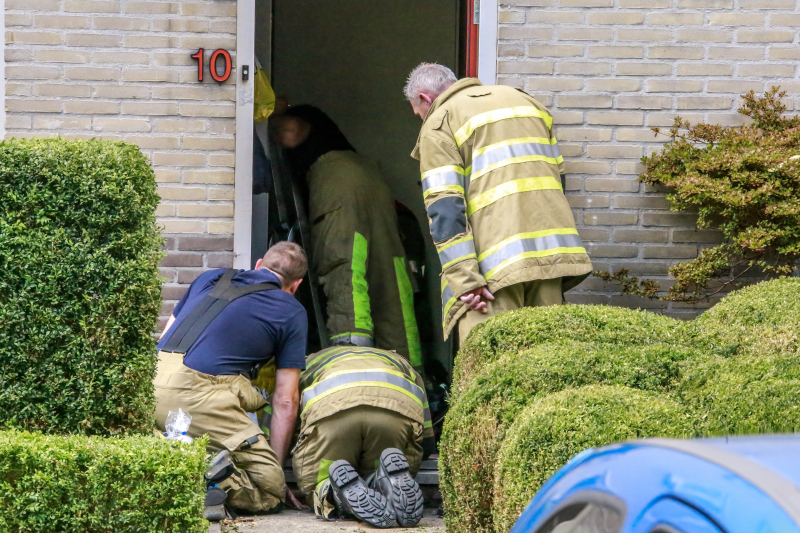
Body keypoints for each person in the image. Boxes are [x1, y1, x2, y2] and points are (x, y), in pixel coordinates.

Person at [404, 63, 593, 342]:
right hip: (550, 260)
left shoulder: (440, 121)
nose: (423, 119)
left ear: (424, 99)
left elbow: (445, 210)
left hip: (492, 275)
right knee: (547, 366)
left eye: (419, 114)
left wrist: (466, 283)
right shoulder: (528, 104)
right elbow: (557, 181)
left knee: (490, 369)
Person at [154, 241, 309, 520]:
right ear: (295, 285)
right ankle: (211, 480)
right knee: (271, 491)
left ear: (259, 264)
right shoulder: (291, 311)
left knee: (181, 435)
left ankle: (168, 453)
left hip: (150, 381)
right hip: (199, 394)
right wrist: (278, 469)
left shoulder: (210, 277)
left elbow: (167, 336)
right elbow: (286, 399)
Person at [273, 105, 423, 370]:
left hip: (339, 186)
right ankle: (407, 373)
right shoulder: (336, 140)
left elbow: (290, 131)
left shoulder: (304, 115)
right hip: (376, 187)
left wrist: (266, 119)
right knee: (391, 280)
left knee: (345, 270)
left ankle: (353, 367)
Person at [291, 346, 435, 528]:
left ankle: (335, 494)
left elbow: (286, 406)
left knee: (319, 483)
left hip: (333, 416)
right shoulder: (400, 362)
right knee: (376, 473)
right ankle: (382, 481)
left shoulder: (305, 363)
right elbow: (428, 439)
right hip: (393, 415)